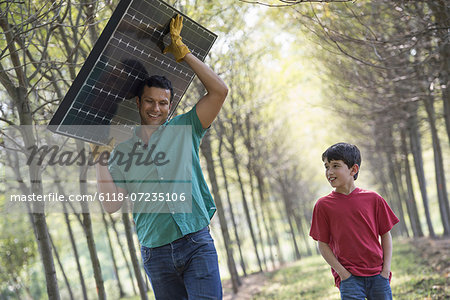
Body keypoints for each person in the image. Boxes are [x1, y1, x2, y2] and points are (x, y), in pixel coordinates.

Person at [92, 15, 228, 300]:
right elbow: (111, 204)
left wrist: (184, 53)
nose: (156, 108)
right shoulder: (122, 151)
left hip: (196, 244)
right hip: (155, 253)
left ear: (170, 105)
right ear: (139, 103)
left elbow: (219, 91)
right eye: (150, 102)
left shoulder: (185, 127)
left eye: (163, 103)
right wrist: (99, 160)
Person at [309, 142, 399, 300]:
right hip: (349, 279)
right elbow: (322, 244)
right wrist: (343, 274)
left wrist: (385, 271)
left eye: (335, 166)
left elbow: (385, 235)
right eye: (326, 166)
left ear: (353, 169)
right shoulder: (323, 205)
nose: (329, 172)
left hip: (378, 275)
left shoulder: (374, 199)